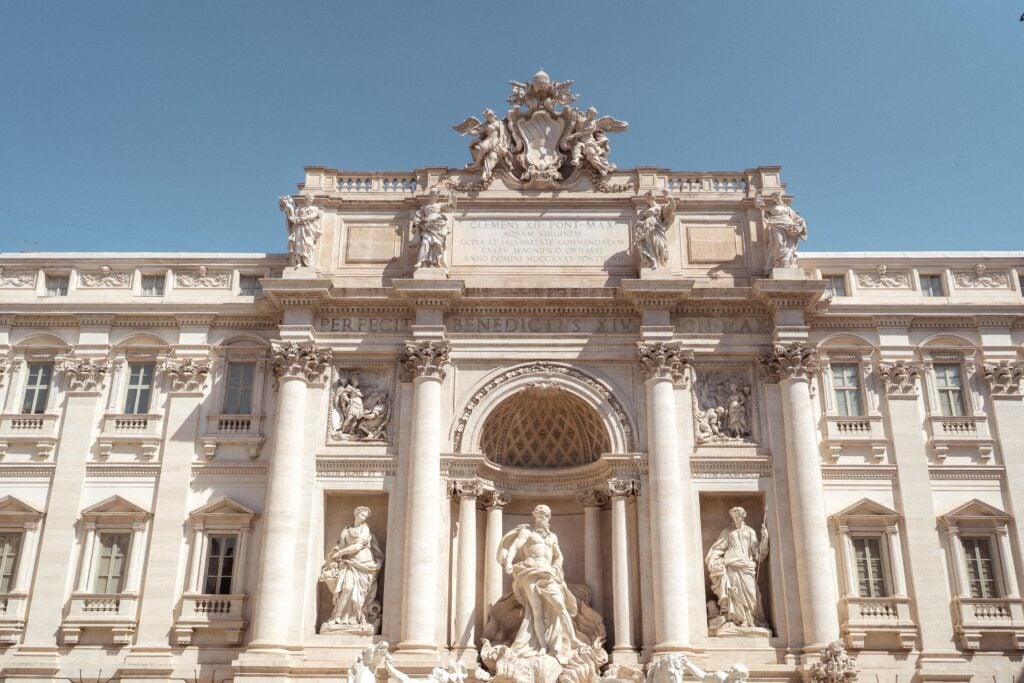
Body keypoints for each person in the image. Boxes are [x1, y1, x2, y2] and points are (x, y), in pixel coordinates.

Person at [498, 504, 586, 661]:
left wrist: (557, 566)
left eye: (546, 515)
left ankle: (572, 639)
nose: (543, 517)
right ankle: (543, 646)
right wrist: (509, 563)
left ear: (549, 517)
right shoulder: (527, 532)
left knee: (560, 605)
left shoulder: (552, 537)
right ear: (535, 516)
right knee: (536, 610)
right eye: (540, 514)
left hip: (548, 573)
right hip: (530, 571)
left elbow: (559, 556)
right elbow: (515, 546)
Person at [705, 507, 769, 630]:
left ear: (743, 516)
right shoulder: (728, 532)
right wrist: (714, 560)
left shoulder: (750, 531)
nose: (736, 519)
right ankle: (740, 620)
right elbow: (719, 548)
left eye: (738, 516)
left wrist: (765, 538)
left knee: (752, 593)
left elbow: (757, 552)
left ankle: (752, 619)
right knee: (735, 593)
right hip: (731, 565)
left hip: (746, 566)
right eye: (734, 516)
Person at [321, 506, 383, 628]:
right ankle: (337, 617)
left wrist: (340, 553)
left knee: (357, 592)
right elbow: (340, 544)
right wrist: (335, 554)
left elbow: (357, 547)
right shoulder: (347, 530)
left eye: (365, 516)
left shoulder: (365, 529)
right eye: (362, 515)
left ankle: (354, 617)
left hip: (362, 563)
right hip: (348, 562)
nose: (364, 517)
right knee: (347, 588)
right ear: (356, 514)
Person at [755, 192, 806, 271]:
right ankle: (778, 262)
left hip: (789, 226)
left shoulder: (787, 208)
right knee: (779, 243)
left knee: (788, 245)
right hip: (777, 225)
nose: (776, 198)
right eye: (774, 197)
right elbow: (759, 205)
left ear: (780, 197)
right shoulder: (772, 207)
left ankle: (785, 262)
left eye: (777, 197)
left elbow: (796, 217)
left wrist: (802, 222)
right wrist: (756, 196)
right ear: (773, 199)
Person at [410, 187, 453, 269]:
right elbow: (417, 218)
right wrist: (419, 223)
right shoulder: (424, 207)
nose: (434, 196)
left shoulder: (439, 205)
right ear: (430, 196)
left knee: (437, 246)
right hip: (427, 228)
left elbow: (450, 207)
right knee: (424, 243)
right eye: (433, 195)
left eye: (436, 195)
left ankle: (436, 262)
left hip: (438, 228)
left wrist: (452, 197)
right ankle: (421, 261)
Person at [280, 194, 323, 268]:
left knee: (308, 245)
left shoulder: (314, 208)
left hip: (309, 229)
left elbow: (315, 215)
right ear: (305, 200)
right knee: (298, 245)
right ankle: (299, 262)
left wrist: (305, 218)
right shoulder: (300, 209)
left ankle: (307, 261)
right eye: (307, 199)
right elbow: (294, 218)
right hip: (300, 228)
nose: (309, 200)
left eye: (310, 199)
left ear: (312, 200)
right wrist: (288, 209)